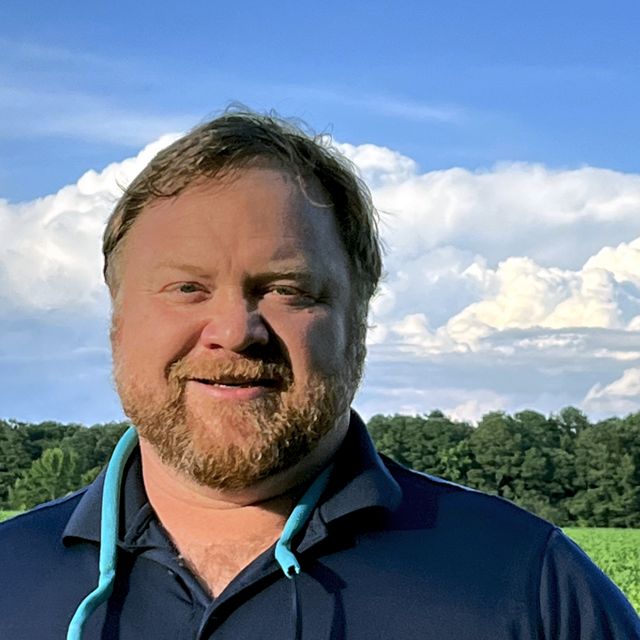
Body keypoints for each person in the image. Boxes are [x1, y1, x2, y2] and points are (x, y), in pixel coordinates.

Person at [0, 110, 638, 640]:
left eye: (288, 290)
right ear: (117, 320)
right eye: (187, 288)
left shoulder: (531, 589)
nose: (236, 330)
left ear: (359, 321)